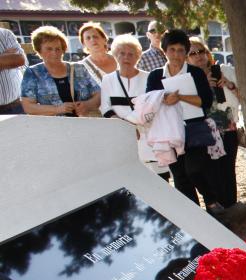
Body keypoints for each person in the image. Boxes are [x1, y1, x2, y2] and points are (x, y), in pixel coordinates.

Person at [146, 29, 222, 216]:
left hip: (194, 128)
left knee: (194, 169)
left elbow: (205, 102)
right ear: (164, 51)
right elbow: (149, 102)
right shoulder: (155, 76)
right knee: (180, 176)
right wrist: (164, 99)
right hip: (169, 131)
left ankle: (211, 201)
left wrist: (180, 97)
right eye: (172, 50)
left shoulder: (195, 73)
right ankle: (193, 215)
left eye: (181, 50)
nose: (176, 55)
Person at [99, 34, 165, 179]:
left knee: (159, 179)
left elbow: (155, 106)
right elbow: (105, 108)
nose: (126, 57)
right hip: (122, 137)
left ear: (138, 57)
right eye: (122, 53)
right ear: (115, 55)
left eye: (131, 54)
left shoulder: (149, 78)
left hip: (149, 136)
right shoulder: (107, 80)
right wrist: (126, 127)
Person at [188, 36, 240, 209]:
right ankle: (217, 208)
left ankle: (231, 207)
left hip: (228, 128)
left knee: (228, 170)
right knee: (210, 171)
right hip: (205, 133)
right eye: (192, 53)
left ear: (207, 53)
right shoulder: (189, 79)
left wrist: (229, 84)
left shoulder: (225, 69)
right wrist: (202, 84)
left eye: (200, 51)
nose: (198, 56)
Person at [21, 26, 100, 117]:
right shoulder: (33, 73)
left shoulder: (79, 69)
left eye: (58, 49)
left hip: (84, 124)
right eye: (49, 49)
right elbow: (28, 107)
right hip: (53, 127)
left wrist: (87, 105)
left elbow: (98, 94)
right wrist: (58, 109)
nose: (54, 53)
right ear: (39, 50)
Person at [0, 26, 26, 115]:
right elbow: (14, 60)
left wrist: (11, 60)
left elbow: (21, 61)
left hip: (17, 106)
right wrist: (6, 58)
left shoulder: (4, 34)